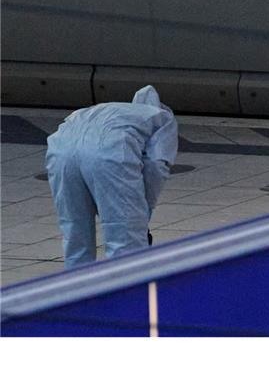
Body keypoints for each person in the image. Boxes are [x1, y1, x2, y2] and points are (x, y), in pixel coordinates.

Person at [45, 85, 178, 268]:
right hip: (109, 151)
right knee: (124, 241)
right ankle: (126, 293)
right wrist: (143, 208)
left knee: (75, 233)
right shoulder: (163, 118)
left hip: (61, 150)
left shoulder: (116, 110)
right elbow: (156, 165)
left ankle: (76, 290)